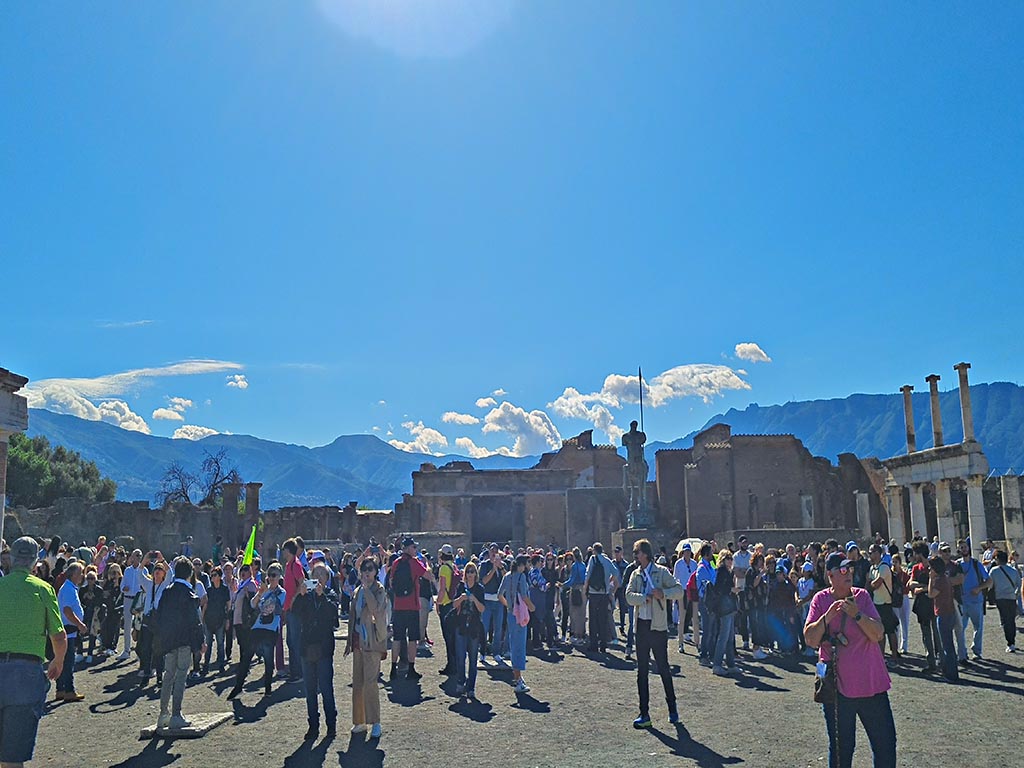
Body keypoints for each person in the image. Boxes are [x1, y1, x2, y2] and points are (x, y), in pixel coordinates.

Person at [805, 553, 896, 768]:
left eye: (850, 569)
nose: (849, 574)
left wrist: (857, 614)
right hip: (837, 689)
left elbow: (878, 633)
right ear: (830, 575)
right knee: (841, 749)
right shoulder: (820, 600)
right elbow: (810, 639)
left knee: (885, 744)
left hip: (871, 684)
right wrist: (827, 617)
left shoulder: (862, 597)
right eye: (843, 570)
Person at [0, 537, 68, 767]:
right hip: (25, 676)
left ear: (11, 559)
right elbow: (58, 636)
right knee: (13, 756)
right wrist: (58, 661)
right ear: (34, 562)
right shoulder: (43, 589)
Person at [625, 538, 683, 728]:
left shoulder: (662, 572)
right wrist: (644, 598)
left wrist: (663, 594)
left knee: (663, 668)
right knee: (642, 671)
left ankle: (672, 709)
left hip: (658, 628)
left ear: (645, 554)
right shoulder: (635, 574)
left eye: (637, 552)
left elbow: (679, 590)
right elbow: (628, 596)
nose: (635, 555)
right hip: (641, 627)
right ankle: (644, 713)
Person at [152, 557, 206, 730]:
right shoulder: (189, 594)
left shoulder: (166, 592)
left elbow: (159, 616)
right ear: (190, 573)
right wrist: (200, 642)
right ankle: (176, 714)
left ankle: (163, 714)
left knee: (168, 675)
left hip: (168, 640)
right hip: (184, 641)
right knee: (181, 676)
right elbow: (195, 622)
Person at [292, 561, 339, 741]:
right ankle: (313, 725)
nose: (318, 577)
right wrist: (301, 595)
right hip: (307, 647)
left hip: (324, 648)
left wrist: (321, 597)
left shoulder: (330, 594)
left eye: (322, 574)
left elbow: (333, 616)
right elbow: (295, 612)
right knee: (310, 690)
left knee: (326, 688)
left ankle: (331, 725)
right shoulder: (306, 595)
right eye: (315, 574)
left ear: (327, 578)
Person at [227, 562, 286, 700]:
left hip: (271, 629)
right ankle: (238, 686)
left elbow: (272, 608)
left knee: (268, 660)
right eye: (269, 575)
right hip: (257, 627)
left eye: (274, 575)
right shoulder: (264, 590)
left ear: (279, 577)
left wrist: (265, 596)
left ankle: (268, 688)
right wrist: (260, 593)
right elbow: (253, 605)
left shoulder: (281, 592)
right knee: (247, 657)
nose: (271, 578)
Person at [346, 557, 386, 739]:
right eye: (364, 569)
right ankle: (359, 721)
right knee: (358, 682)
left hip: (372, 641)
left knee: (371, 682)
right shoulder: (357, 591)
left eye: (370, 569)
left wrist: (367, 590)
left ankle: (375, 721)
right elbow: (353, 616)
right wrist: (349, 642)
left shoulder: (379, 590)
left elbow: (376, 609)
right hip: (358, 641)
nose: (367, 572)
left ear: (376, 571)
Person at [386, 538, 435, 681]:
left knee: (397, 638)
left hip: (398, 606)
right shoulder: (414, 562)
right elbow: (429, 576)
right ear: (408, 548)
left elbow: (391, 582)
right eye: (414, 547)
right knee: (412, 639)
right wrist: (426, 564)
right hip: (412, 606)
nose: (415, 550)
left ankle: (393, 669)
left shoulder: (396, 563)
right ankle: (411, 669)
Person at [499, 553, 535, 693]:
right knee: (519, 646)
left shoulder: (507, 576)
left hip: (511, 614)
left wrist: (509, 606)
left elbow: (499, 594)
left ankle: (518, 677)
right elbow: (524, 596)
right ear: (522, 564)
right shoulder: (521, 577)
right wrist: (532, 607)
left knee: (513, 644)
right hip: (520, 615)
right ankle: (518, 680)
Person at [453, 561, 486, 698]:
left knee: (473, 659)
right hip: (461, 626)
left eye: (472, 571)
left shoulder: (479, 589)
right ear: (465, 574)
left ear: (476, 574)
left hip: (474, 627)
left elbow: (482, 609)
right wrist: (461, 598)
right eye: (468, 571)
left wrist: (474, 600)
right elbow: (453, 605)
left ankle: (471, 687)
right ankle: (461, 682)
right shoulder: (460, 587)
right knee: (460, 657)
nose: (470, 574)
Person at [56, 562, 87, 701]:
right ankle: (69, 690)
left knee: (63, 660)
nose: (82, 576)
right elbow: (67, 610)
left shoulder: (69, 587)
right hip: (68, 631)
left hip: (67, 630)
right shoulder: (68, 589)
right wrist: (80, 624)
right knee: (68, 661)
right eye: (80, 573)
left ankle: (61, 689)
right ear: (74, 574)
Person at [926, 556, 959, 682]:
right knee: (949, 645)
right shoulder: (945, 578)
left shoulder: (939, 581)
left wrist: (930, 579)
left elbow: (931, 594)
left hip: (943, 613)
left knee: (947, 646)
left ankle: (951, 674)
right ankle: (952, 672)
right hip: (949, 612)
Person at [707, 549, 740, 676]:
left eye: (731, 558)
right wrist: (731, 589)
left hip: (729, 607)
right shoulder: (721, 571)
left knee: (730, 637)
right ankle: (717, 664)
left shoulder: (728, 572)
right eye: (728, 558)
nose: (730, 561)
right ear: (723, 559)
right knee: (724, 636)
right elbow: (718, 588)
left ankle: (730, 664)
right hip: (724, 607)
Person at [957, 541, 992, 660]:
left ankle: (977, 651)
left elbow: (989, 581)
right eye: (961, 547)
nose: (964, 549)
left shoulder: (977, 564)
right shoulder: (957, 565)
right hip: (961, 601)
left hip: (976, 601)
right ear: (959, 550)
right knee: (960, 628)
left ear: (969, 548)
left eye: (965, 547)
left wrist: (979, 588)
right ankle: (962, 652)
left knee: (978, 627)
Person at [867, 544, 899, 667]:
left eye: (872, 552)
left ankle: (894, 656)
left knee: (890, 631)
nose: (870, 555)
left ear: (878, 553)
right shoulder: (873, 568)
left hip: (886, 603)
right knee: (880, 631)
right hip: (877, 603)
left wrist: (870, 583)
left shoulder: (884, 567)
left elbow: (875, 584)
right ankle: (881, 657)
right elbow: (869, 584)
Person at [583, 542, 617, 653]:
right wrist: (608, 582)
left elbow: (588, 575)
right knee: (603, 619)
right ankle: (603, 644)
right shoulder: (607, 560)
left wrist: (585, 589)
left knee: (593, 619)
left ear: (594, 550)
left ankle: (594, 645)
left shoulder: (593, 559)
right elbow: (616, 573)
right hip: (604, 593)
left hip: (593, 593)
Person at [281, 539, 307, 682]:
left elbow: (302, 583)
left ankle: (299, 673)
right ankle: (294, 670)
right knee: (290, 641)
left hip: (295, 609)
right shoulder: (288, 565)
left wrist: (293, 599)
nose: (283, 553)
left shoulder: (296, 565)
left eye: (284, 550)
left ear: (288, 550)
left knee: (295, 641)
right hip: (289, 609)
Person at [989, 549, 1022, 652]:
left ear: (998, 559)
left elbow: (990, 584)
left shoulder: (994, 571)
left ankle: (1010, 643)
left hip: (1000, 598)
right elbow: (1019, 584)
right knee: (1011, 620)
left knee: (1005, 620)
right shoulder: (1013, 571)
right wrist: (1016, 594)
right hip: (1011, 598)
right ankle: (1012, 642)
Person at [202, 566, 230, 675]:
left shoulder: (224, 589)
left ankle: (221, 665)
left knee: (220, 644)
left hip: (220, 620)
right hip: (209, 620)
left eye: (214, 575)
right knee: (208, 644)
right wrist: (202, 618)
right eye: (211, 575)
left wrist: (227, 620)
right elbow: (205, 604)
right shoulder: (209, 590)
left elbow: (228, 605)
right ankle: (206, 666)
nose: (212, 577)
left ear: (219, 576)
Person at [119, 550, 144, 659]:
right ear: (132, 557)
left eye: (140, 556)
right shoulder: (127, 570)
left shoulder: (144, 570)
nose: (138, 557)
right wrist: (123, 588)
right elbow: (122, 585)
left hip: (138, 600)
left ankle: (140, 651)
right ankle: (126, 650)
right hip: (128, 598)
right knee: (127, 625)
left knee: (139, 625)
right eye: (136, 555)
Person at [673, 543, 698, 651]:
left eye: (688, 551)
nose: (687, 553)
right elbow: (675, 578)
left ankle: (688, 633)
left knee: (691, 614)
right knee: (681, 617)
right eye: (685, 551)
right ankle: (680, 643)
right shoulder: (678, 563)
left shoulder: (694, 563)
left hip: (692, 591)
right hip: (682, 591)